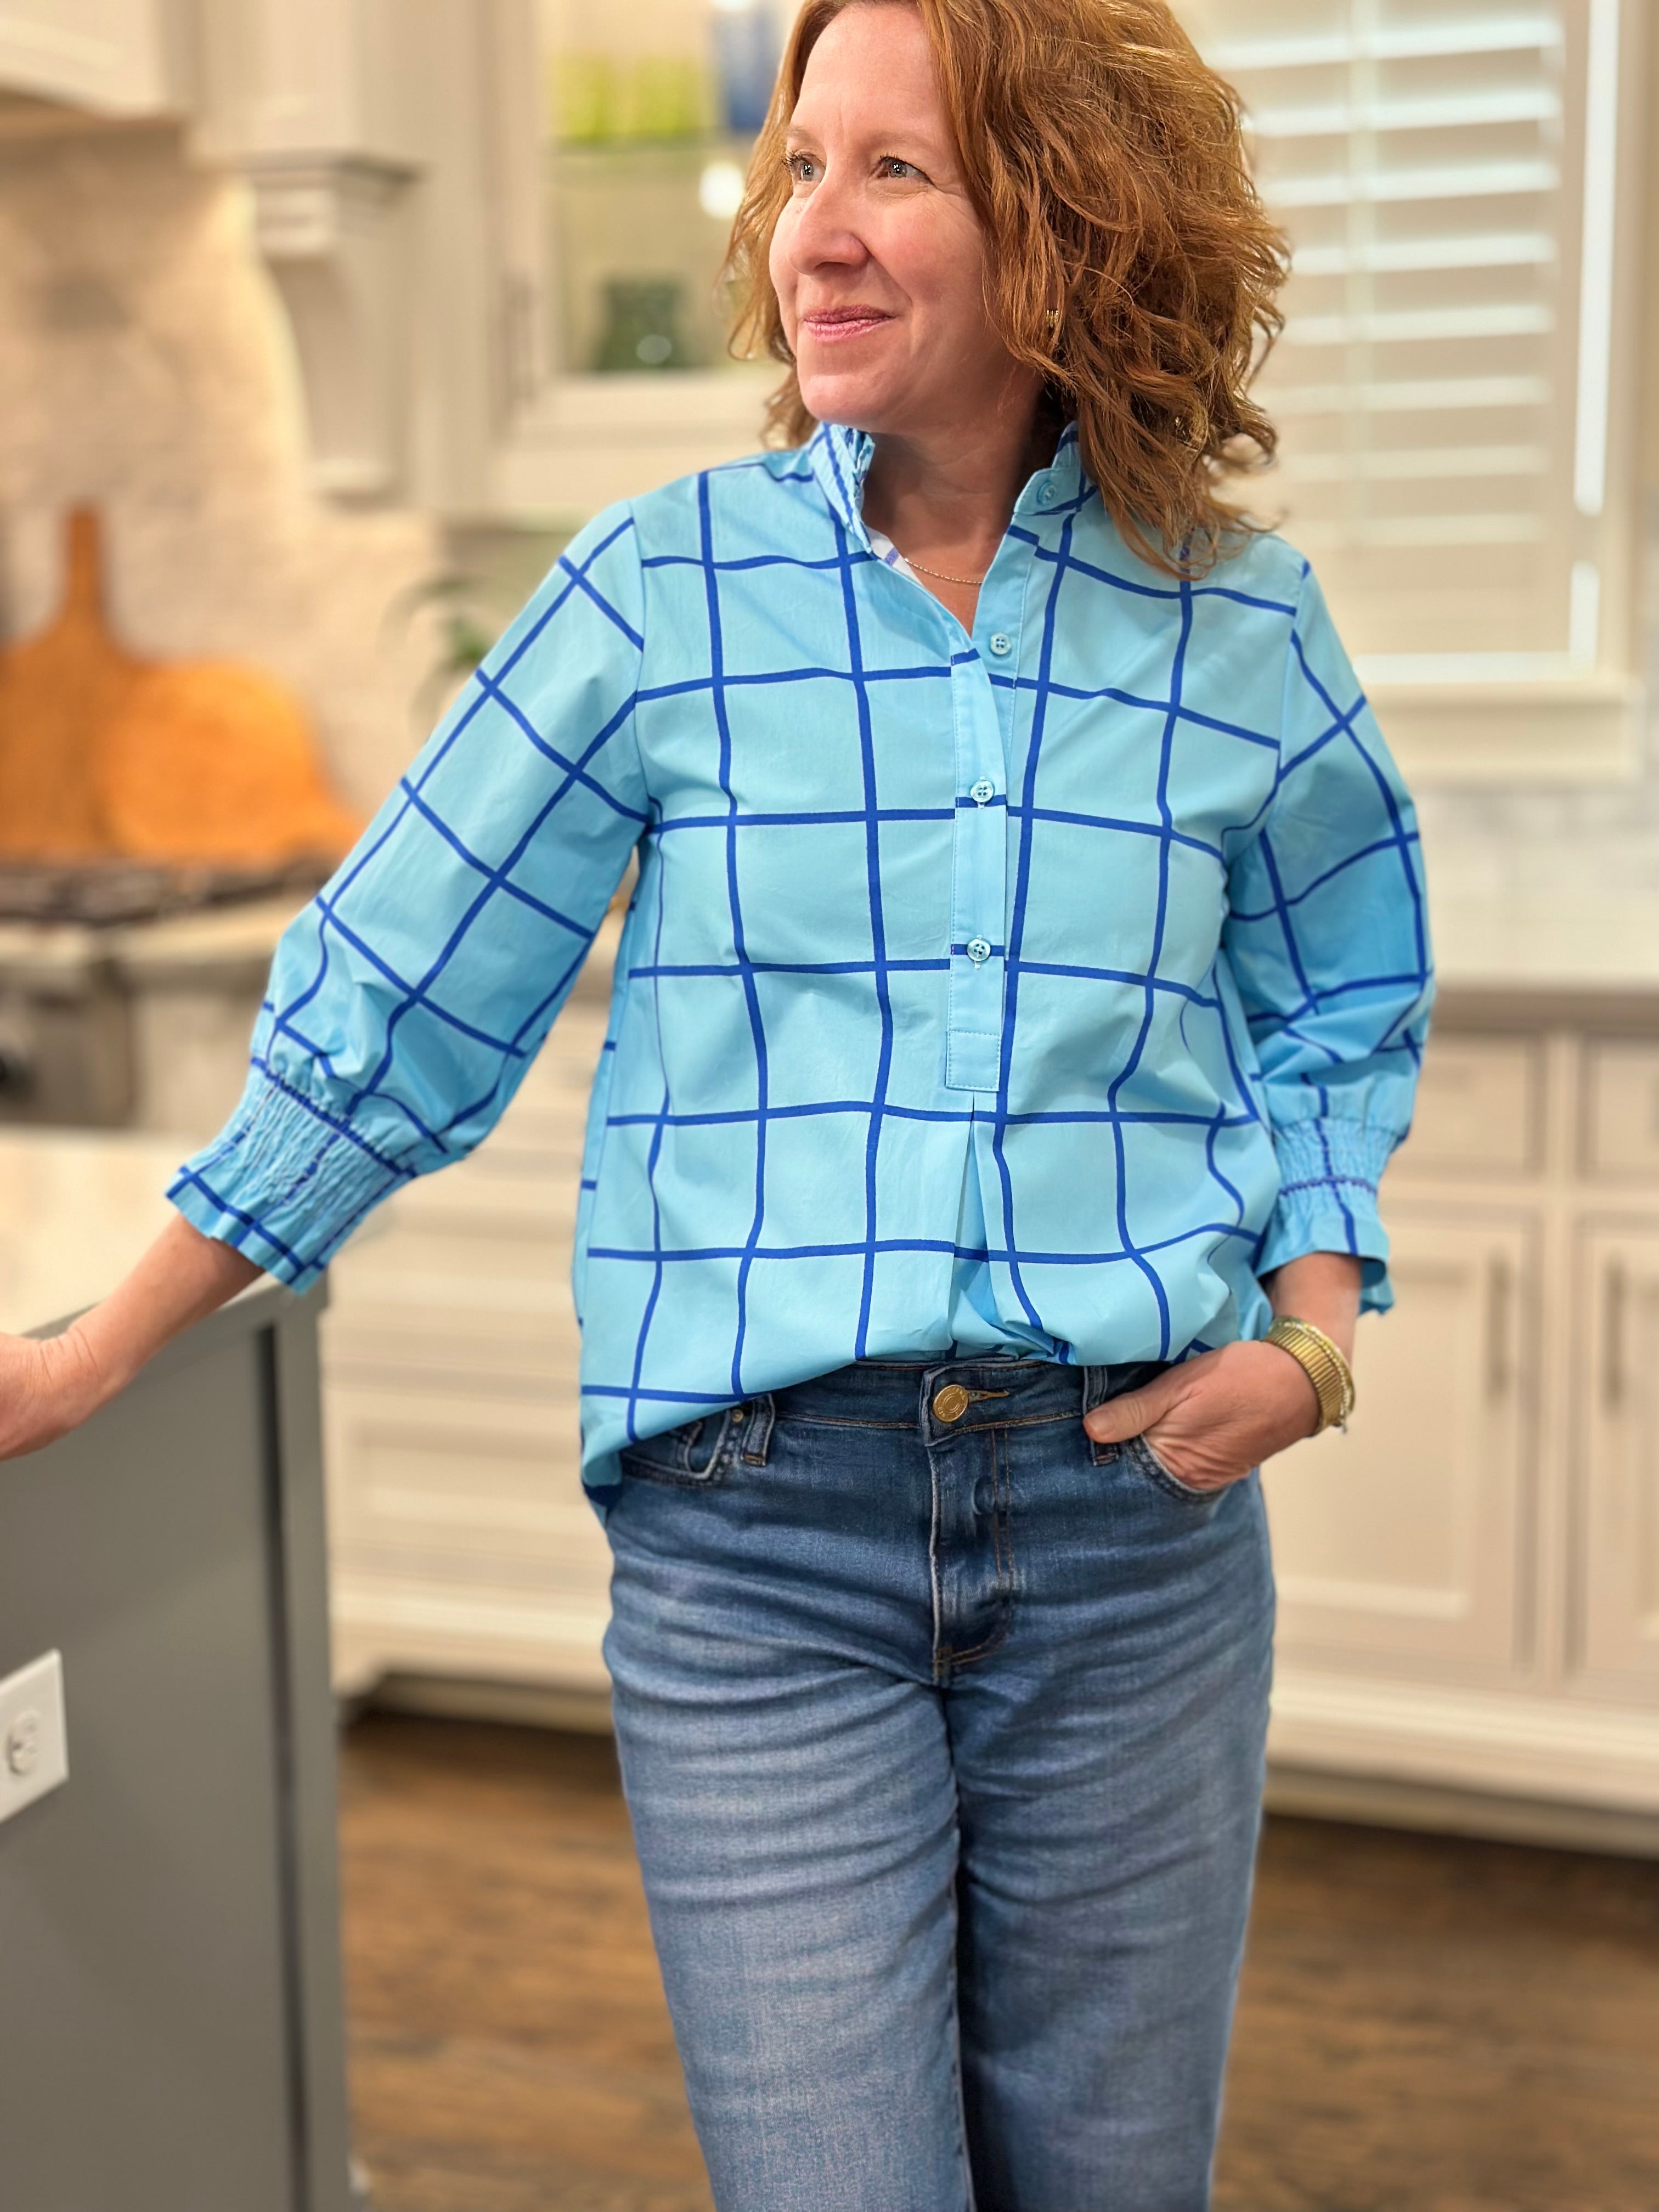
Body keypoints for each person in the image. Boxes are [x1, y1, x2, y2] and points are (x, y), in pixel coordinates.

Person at [0, 0, 1432, 2203]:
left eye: (894, 171)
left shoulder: (1242, 624)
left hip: (1129, 1535)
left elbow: (1339, 996)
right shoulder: (659, 592)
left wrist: (1313, 1341)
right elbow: (395, 1005)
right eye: (797, 168)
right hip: (764, 1549)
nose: (811, 234)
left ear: (1071, 217)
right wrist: (101, 1346)